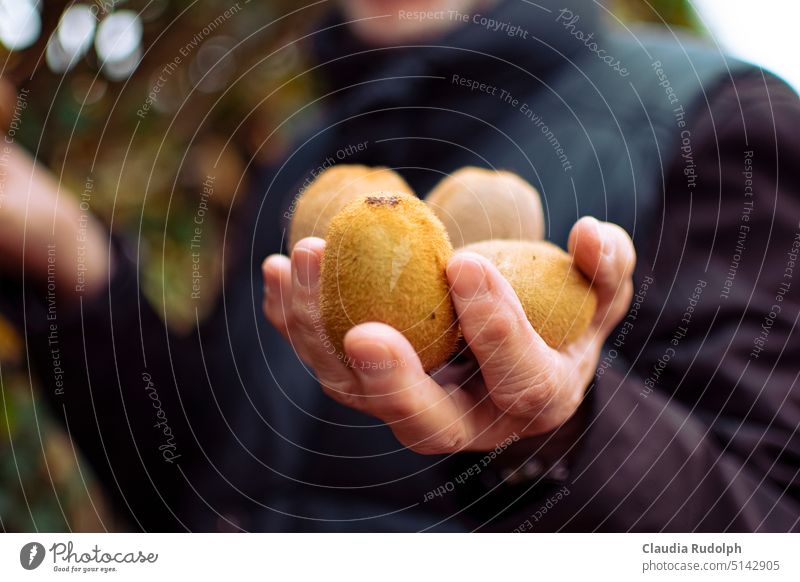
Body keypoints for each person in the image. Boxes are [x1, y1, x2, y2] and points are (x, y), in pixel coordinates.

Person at [1, 0, 798, 532]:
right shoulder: (296, 169)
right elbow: (205, 486)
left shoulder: (719, 120)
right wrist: (69, 264)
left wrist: (561, 436)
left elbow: (768, 526)